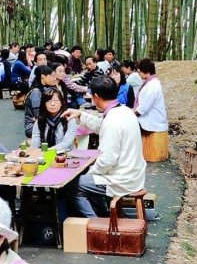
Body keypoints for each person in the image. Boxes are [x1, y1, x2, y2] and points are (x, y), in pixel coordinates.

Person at [61, 77, 147, 217]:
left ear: (96, 97)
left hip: (121, 179)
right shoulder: (124, 111)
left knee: (73, 185)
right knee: (89, 178)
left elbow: (107, 160)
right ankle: (104, 214)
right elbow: (102, 126)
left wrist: (90, 173)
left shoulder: (112, 121)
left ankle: (95, 223)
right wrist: (81, 114)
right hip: (134, 173)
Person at [134, 57, 168, 138]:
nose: (139, 74)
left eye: (139, 72)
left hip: (153, 124)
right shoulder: (149, 83)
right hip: (149, 121)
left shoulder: (153, 85)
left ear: (147, 72)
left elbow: (144, 107)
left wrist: (131, 113)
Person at [24, 65, 57, 138]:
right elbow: (38, 115)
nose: (54, 79)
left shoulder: (45, 89)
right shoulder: (36, 92)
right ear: (43, 76)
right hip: (33, 127)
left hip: (42, 123)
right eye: (52, 76)